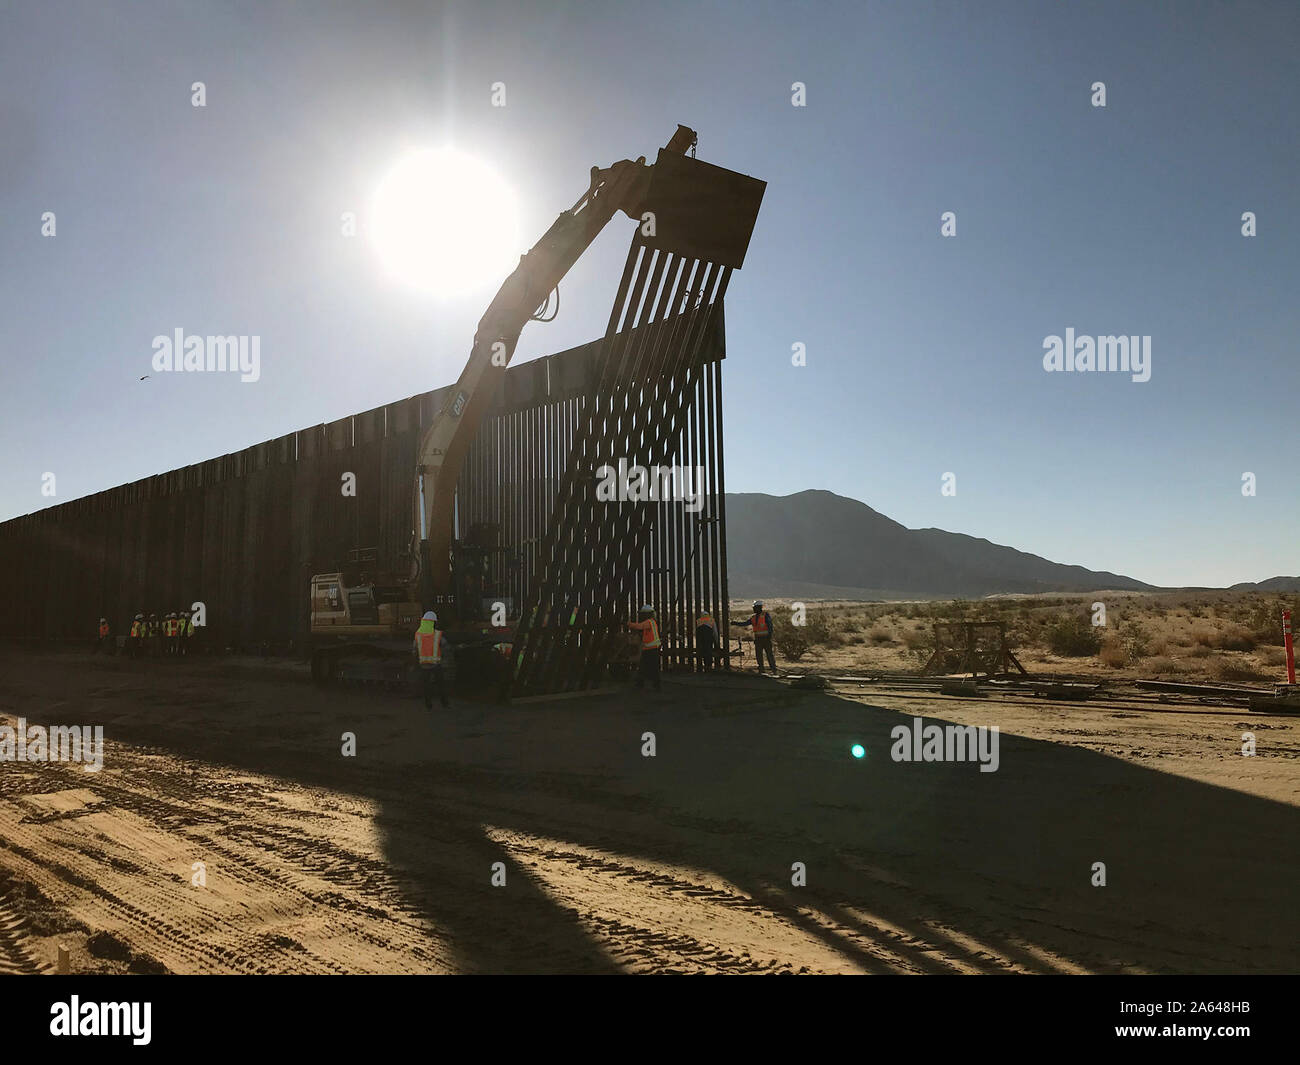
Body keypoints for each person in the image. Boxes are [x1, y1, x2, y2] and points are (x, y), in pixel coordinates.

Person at [413, 610, 449, 710]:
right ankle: (444, 703)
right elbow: (445, 646)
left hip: (424, 665)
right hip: (436, 664)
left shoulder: (418, 634)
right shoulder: (437, 634)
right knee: (441, 684)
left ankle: (428, 705)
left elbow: (414, 650)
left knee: (427, 686)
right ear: (433, 622)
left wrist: (416, 663)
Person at [732, 600, 777, 674]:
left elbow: (770, 627)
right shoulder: (753, 618)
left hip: (766, 638)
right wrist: (735, 623)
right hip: (758, 639)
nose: (753, 609)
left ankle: (773, 670)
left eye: (754, 607)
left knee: (769, 655)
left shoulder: (765, 615)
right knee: (759, 655)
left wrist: (769, 636)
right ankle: (761, 670)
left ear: (759, 608)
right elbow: (745, 623)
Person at [628, 605, 662, 691]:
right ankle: (648, 684)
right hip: (651, 648)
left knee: (646, 666)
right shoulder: (652, 622)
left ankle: (644, 684)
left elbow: (639, 626)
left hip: (650, 649)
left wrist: (629, 624)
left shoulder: (649, 622)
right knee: (648, 666)